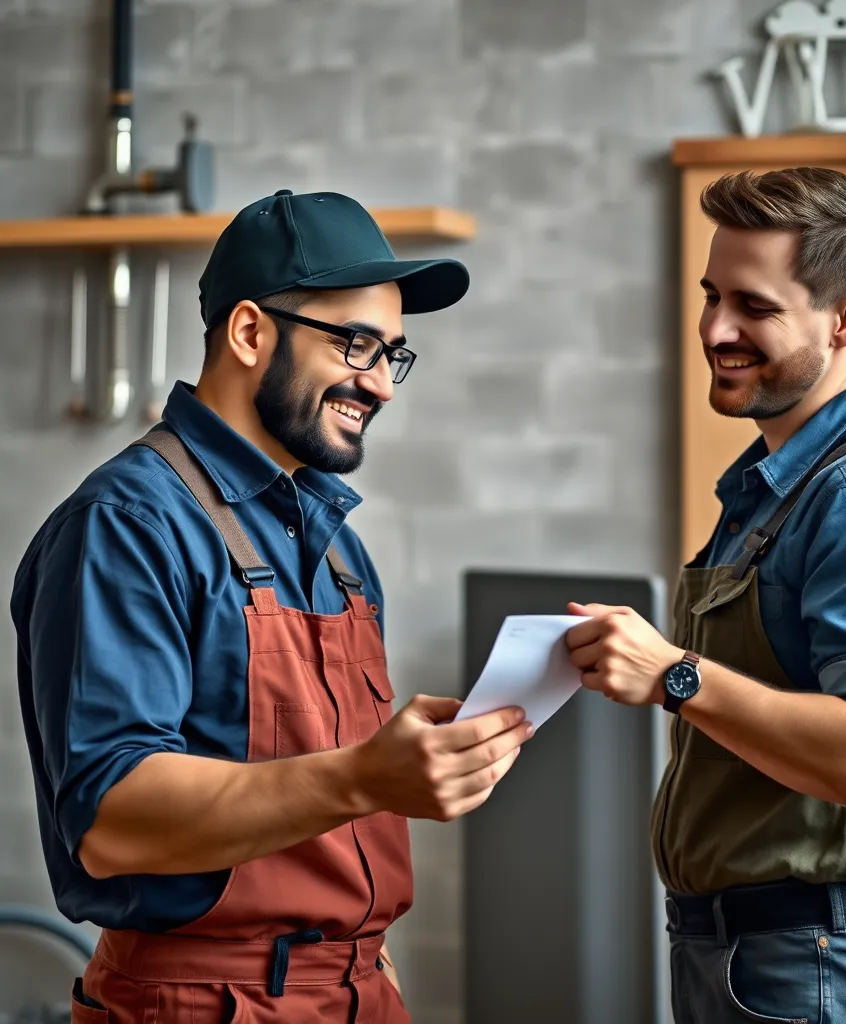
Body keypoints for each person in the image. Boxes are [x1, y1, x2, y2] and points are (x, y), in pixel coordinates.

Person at [11, 189, 533, 1023]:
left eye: (391, 354)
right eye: (357, 344)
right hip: (198, 1002)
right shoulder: (127, 525)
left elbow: (324, 806)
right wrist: (366, 776)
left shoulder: (335, 545)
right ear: (251, 333)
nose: (382, 386)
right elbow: (110, 820)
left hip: (357, 992)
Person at [565, 167, 846, 1024]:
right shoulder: (778, 488)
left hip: (820, 969)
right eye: (711, 295)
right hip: (750, 961)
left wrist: (675, 676)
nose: (716, 329)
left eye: (754, 307)